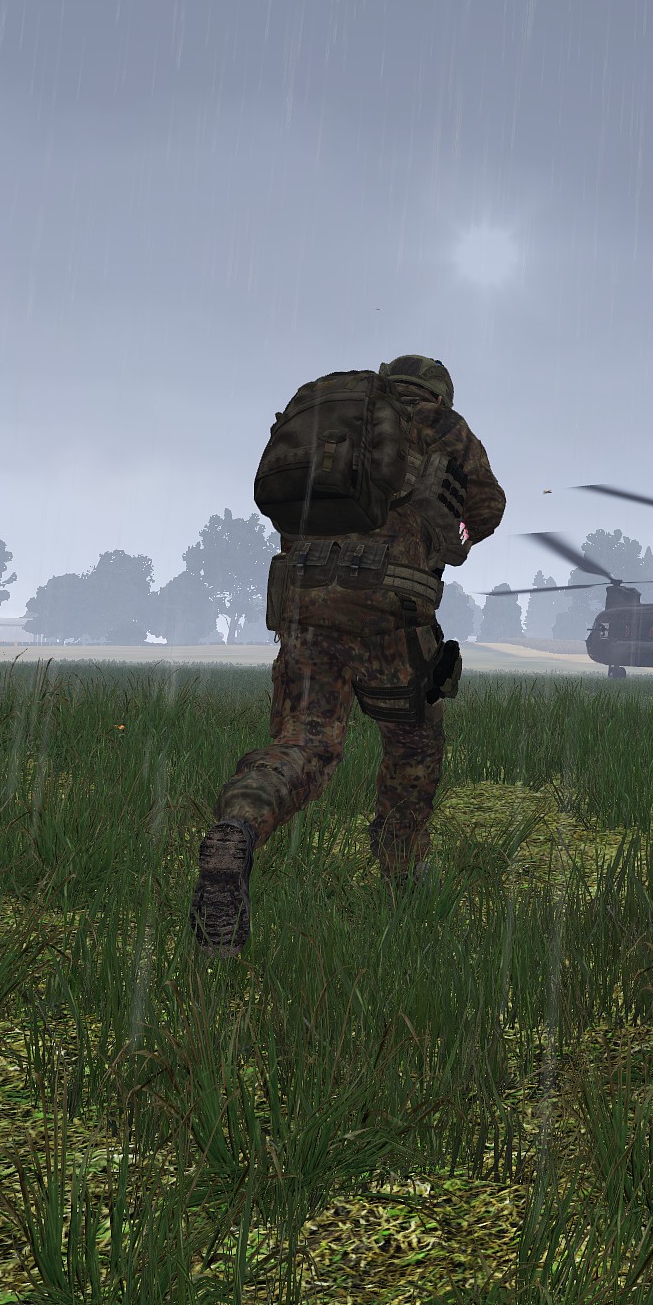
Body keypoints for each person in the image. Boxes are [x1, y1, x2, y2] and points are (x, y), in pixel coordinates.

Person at [191, 355, 505, 957]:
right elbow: (485, 512)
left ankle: (238, 828)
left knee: (303, 744)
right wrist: (451, 536)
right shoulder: (443, 426)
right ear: (438, 391)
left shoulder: (332, 416)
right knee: (412, 742)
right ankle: (402, 872)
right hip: (390, 608)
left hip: (303, 605)